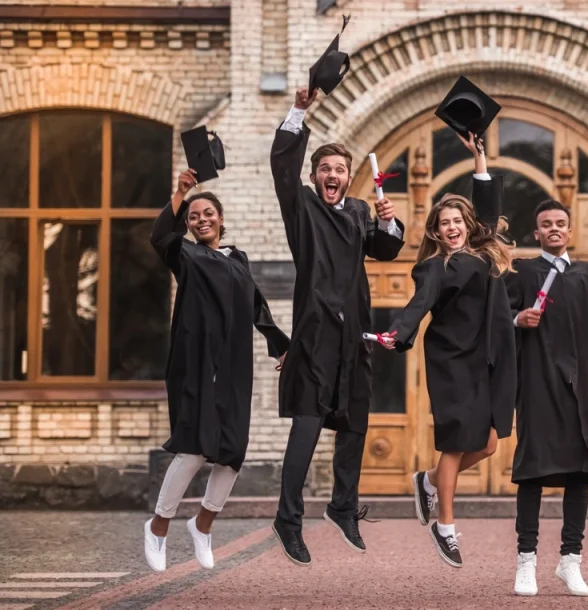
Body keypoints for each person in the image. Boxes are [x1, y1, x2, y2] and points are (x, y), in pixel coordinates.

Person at [270, 87, 406, 566]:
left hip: (354, 337)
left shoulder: (357, 212)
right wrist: (299, 111)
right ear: (314, 176)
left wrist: (390, 224)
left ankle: (342, 507)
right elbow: (282, 166)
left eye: (339, 170)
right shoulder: (302, 208)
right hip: (314, 335)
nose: (332, 175)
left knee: (355, 424)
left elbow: (386, 249)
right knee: (307, 428)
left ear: (350, 179)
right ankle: (288, 520)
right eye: (325, 169)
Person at [378, 132, 516, 569]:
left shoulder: (482, 253)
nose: (451, 228)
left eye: (457, 221)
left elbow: (488, 208)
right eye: (444, 224)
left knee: (491, 443)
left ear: (467, 225)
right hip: (453, 361)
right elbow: (418, 304)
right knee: (456, 442)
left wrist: (479, 160)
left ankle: (430, 481)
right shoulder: (435, 266)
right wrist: (396, 332)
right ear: (435, 232)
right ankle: (446, 526)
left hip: (487, 358)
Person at [145, 169, 290, 573]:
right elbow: (160, 237)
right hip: (196, 363)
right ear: (188, 225)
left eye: (208, 213)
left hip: (233, 365)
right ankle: (158, 526)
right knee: (195, 446)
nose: (201, 219)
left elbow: (257, 305)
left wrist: (281, 345)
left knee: (232, 451)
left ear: (222, 219)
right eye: (193, 216)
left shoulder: (237, 258)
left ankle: (203, 524)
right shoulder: (185, 255)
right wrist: (181, 193)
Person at [504, 199, 588, 597]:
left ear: (570, 231)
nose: (553, 229)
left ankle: (570, 560)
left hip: (582, 387)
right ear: (536, 233)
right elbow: (490, 316)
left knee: (579, 473)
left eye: (560, 223)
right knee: (533, 471)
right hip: (538, 385)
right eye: (545, 224)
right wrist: (516, 319)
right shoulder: (521, 273)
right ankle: (526, 561)